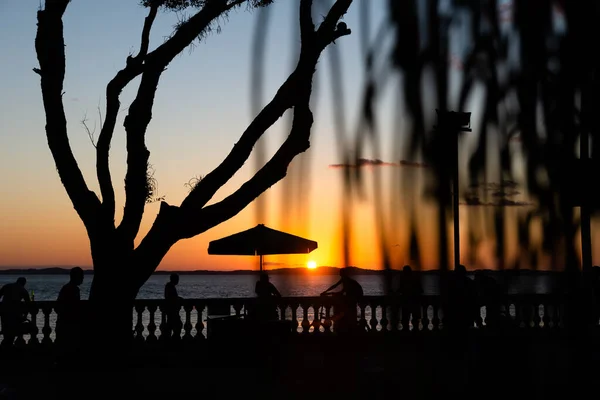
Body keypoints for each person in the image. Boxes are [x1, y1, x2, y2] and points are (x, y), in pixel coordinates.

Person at [321, 268, 364, 333]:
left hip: (356, 296)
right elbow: (335, 286)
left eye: (340, 272)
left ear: (343, 273)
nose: (339, 273)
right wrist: (326, 292)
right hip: (355, 296)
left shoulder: (347, 281)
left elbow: (341, 291)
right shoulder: (345, 279)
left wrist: (327, 293)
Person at [56, 267, 84, 360]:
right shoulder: (74, 289)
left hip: (63, 322)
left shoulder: (66, 287)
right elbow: (74, 307)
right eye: (82, 276)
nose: (83, 278)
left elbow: (58, 306)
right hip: (68, 324)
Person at [0, 277, 30, 347]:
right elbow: (28, 304)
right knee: (13, 332)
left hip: (4, 312)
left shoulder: (6, 286)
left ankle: (5, 347)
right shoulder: (23, 290)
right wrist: (25, 316)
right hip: (15, 313)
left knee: (6, 331)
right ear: (24, 283)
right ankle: (8, 348)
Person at [164, 273, 183, 341]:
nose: (178, 280)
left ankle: (171, 340)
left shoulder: (169, 286)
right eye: (177, 279)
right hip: (172, 310)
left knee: (171, 326)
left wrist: (178, 298)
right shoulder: (170, 286)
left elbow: (172, 297)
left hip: (171, 310)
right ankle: (174, 340)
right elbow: (172, 298)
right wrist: (178, 299)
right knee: (177, 325)